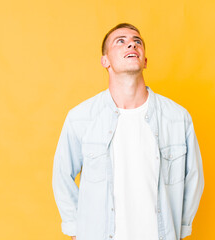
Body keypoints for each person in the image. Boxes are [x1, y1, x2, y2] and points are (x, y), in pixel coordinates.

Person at [52, 23, 204, 240]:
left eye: (137, 41)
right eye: (120, 41)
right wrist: (75, 230)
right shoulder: (81, 117)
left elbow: (194, 178)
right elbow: (61, 175)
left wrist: (181, 228)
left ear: (145, 61)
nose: (131, 43)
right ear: (105, 60)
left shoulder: (177, 118)